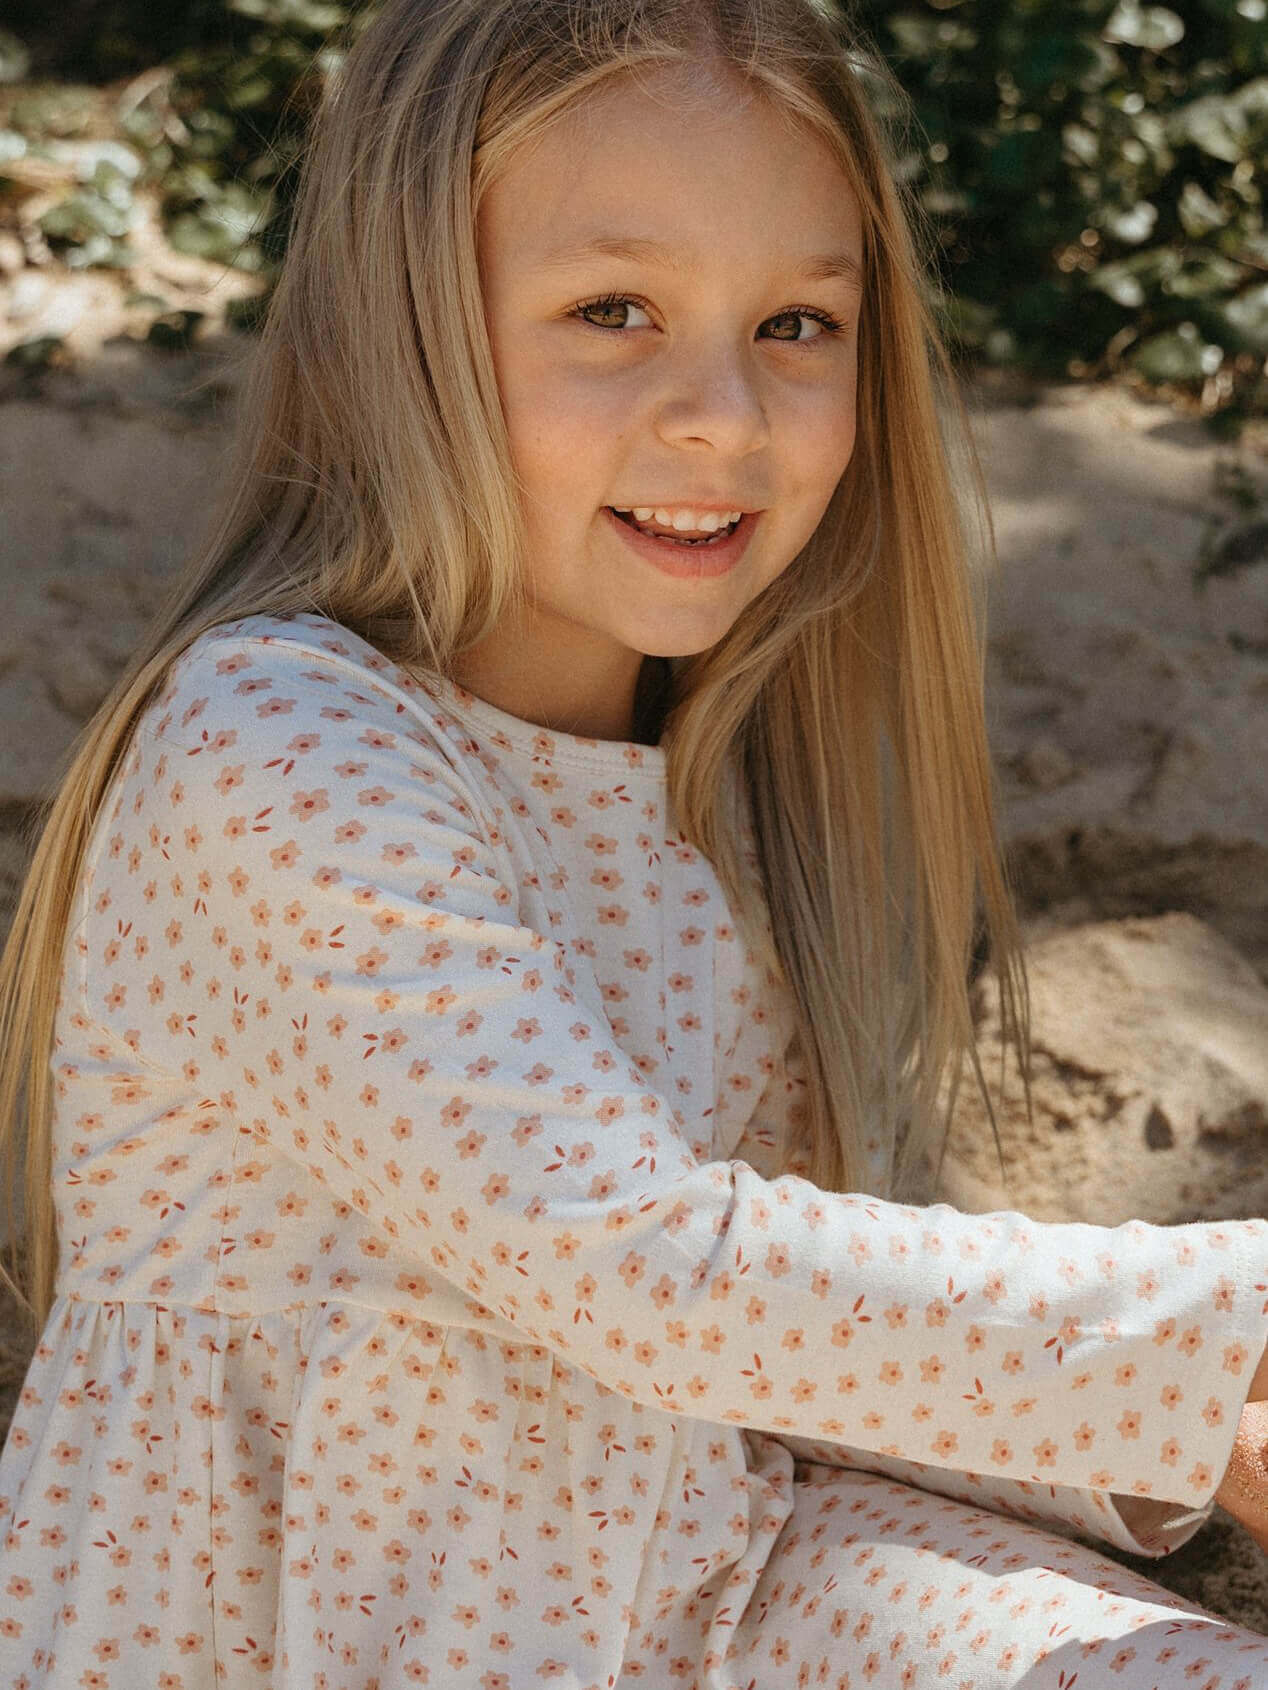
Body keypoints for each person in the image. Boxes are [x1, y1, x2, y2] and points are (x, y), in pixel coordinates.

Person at [1, 1, 1266, 1684]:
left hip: (690, 1576)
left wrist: (1200, 1431)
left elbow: (785, 1355)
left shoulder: (713, 790)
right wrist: (1223, 1322)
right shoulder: (273, 742)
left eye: (799, 323)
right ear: (405, 326)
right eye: (615, 311)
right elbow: (647, 1268)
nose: (726, 416)